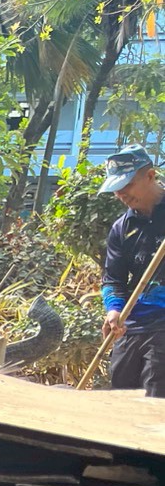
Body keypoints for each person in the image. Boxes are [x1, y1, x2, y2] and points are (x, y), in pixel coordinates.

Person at [98, 144, 165, 396]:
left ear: (150, 176)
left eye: (127, 185)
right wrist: (114, 310)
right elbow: (113, 279)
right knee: (121, 394)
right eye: (116, 188)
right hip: (132, 325)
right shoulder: (121, 228)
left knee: (155, 396)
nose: (121, 194)